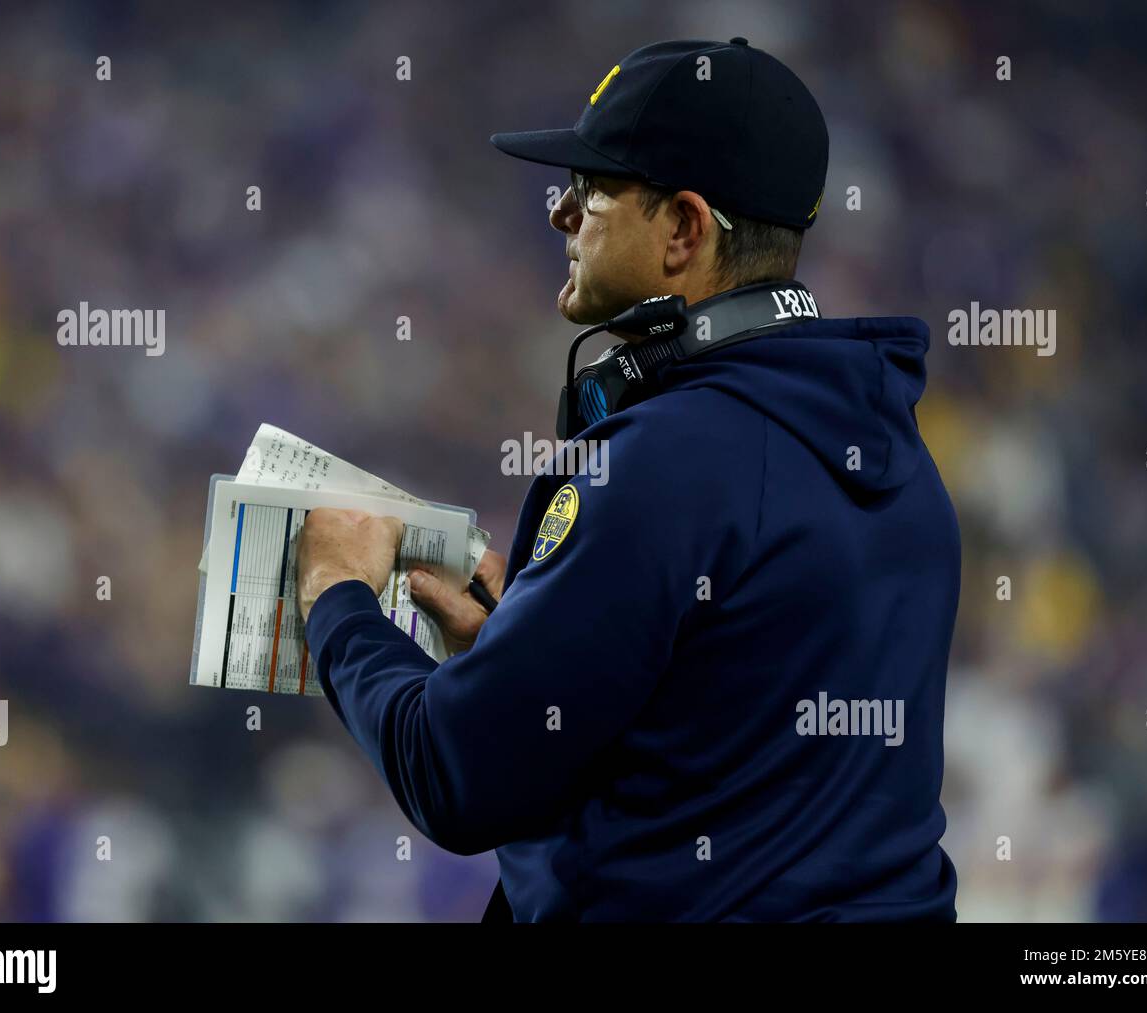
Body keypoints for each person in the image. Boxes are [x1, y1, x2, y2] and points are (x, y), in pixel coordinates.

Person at [295, 37, 960, 921]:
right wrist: (523, 653)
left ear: (684, 228)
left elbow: (453, 775)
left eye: (594, 189)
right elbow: (716, 748)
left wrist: (336, 601)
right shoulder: (895, 450)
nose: (561, 215)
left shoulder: (667, 461)